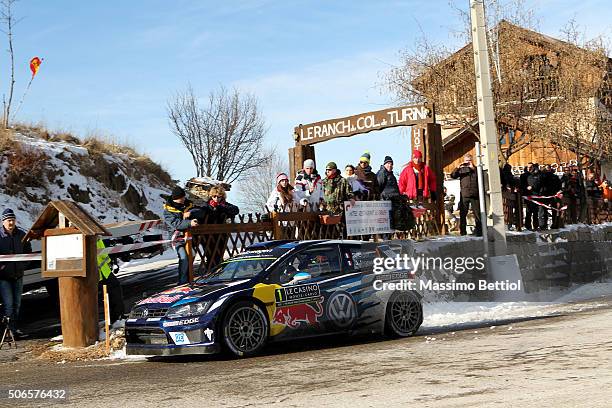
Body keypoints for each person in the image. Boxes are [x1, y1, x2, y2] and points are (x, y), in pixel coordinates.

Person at [0, 208, 32, 339]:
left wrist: (22, 266)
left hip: (18, 275)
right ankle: (6, 331)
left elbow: (28, 252)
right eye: (8, 220)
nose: (11, 223)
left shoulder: (21, 235)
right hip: (3, 277)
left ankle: (13, 329)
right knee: (8, 304)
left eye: (12, 220)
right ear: (3, 222)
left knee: (17, 304)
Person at [163, 186, 198, 285]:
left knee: (192, 255)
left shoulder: (188, 204)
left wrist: (191, 212)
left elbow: (200, 210)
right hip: (177, 238)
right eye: (181, 198)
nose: (183, 199)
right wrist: (189, 223)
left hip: (189, 237)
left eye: (183, 197)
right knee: (183, 257)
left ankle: (188, 277)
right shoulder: (168, 211)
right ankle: (182, 282)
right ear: (175, 199)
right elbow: (176, 224)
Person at [200, 186, 239, 271]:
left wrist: (220, 207)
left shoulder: (224, 205)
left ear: (222, 196)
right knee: (210, 256)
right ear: (211, 196)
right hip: (208, 235)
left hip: (221, 235)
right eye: (214, 196)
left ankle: (219, 274)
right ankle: (210, 275)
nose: (216, 198)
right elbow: (200, 212)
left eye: (218, 196)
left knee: (219, 255)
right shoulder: (206, 205)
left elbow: (236, 210)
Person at [451, 154, 482, 236]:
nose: (467, 162)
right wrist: (457, 167)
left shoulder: (476, 169)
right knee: (463, 214)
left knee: (477, 214)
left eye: (469, 160)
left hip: (475, 194)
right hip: (464, 194)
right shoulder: (462, 170)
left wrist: (472, 167)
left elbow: (480, 176)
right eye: (466, 161)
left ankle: (479, 232)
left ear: (472, 160)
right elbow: (453, 175)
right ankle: (463, 232)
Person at [97, 239, 124, 323]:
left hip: (100, 273)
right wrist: (110, 262)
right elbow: (102, 253)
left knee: (108, 295)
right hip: (102, 272)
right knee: (114, 292)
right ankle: (117, 318)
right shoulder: (96, 237)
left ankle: (114, 318)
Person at [523, 163, 540, 231]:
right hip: (527, 196)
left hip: (535, 195)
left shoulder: (537, 175)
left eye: (531, 167)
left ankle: (536, 226)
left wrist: (533, 187)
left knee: (535, 212)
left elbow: (539, 184)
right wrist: (526, 188)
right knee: (528, 212)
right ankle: (528, 226)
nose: (529, 168)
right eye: (528, 167)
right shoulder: (524, 175)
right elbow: (521, 185)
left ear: (533, 167)